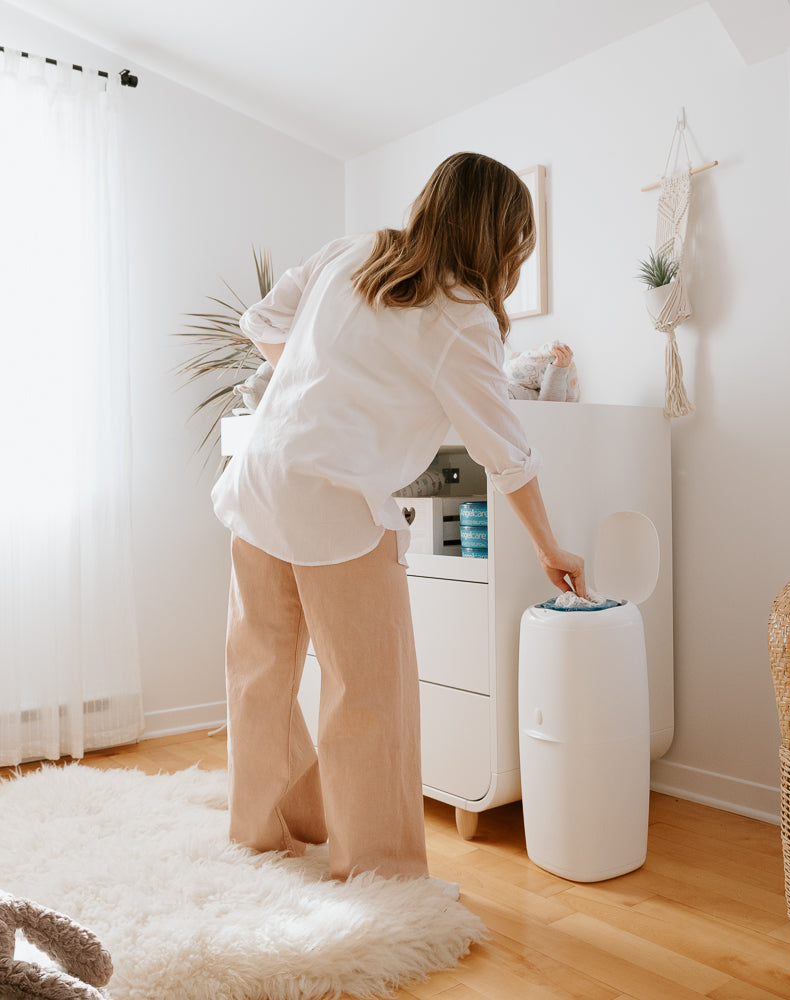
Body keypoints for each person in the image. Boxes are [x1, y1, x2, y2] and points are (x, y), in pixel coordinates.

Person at [210, 152, 586, 889]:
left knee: (259, 675)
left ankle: (263, 837)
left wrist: (315, 391)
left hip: (260, 482)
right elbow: (506, 454)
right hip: (335, 509)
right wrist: (550, 547)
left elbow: (261, 320)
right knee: (368, 695)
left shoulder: (353, 251)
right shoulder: (462, 317)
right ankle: (376, 873)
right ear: (499, 236)